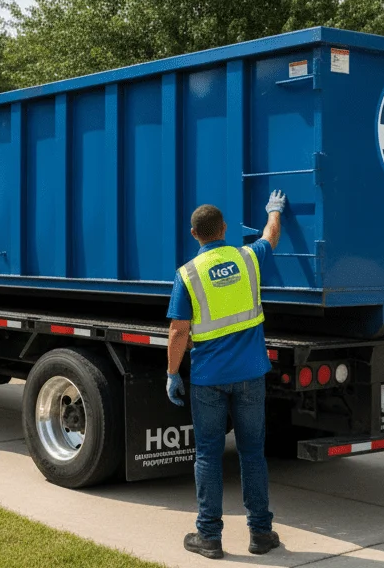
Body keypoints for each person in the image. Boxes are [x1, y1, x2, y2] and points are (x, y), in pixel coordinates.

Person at [165, 191, 287, 559]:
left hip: (207, 379)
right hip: (251, 374)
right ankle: (261, 534)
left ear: (193, 233)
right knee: (252, 454)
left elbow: (178, 331)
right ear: (224, 229)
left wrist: (172, 373)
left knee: (208, 456)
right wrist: (274, 210)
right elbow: (270, 236)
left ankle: (209, 537)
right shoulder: (247, 257)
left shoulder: (187, 274)